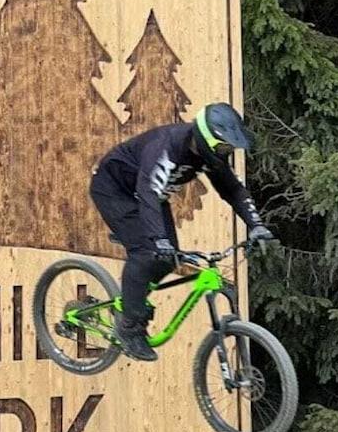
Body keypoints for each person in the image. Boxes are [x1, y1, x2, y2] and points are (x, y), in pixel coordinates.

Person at [89, 102, 274, 362]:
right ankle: (129, 327)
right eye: (224, 148)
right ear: (206, 140)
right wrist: (158, 239)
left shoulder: (208, 156)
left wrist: (257, 226)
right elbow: (148, 193)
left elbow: (232, 190)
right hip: (115, 189)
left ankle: (133, 298)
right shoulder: (167, 147)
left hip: (151, 197)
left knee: (169, 258)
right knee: (146, 252)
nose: (227, 153)